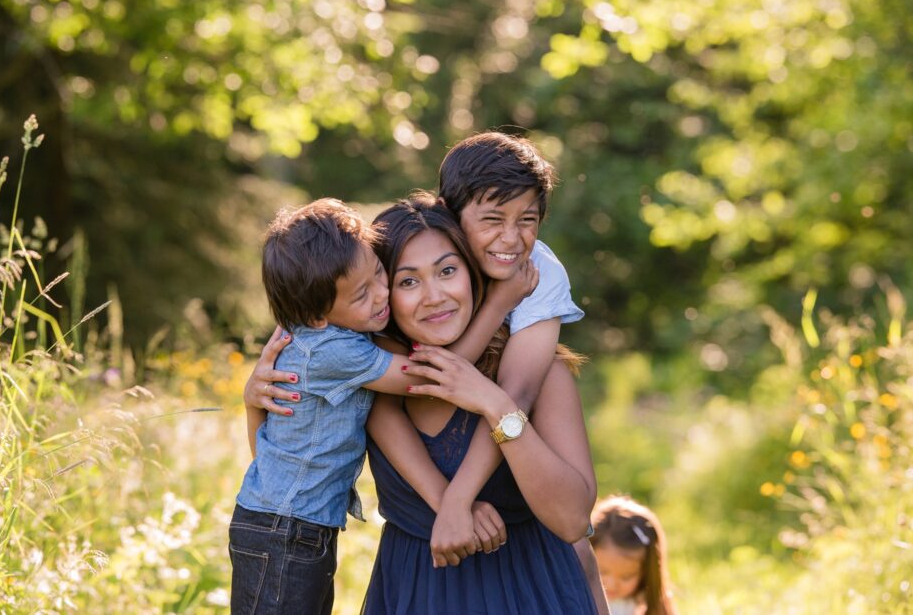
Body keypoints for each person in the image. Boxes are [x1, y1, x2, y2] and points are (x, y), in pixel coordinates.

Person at [230, 198, 534, 615]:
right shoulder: (334, 350)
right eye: (361, 295)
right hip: (284, 531)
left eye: (380, 274)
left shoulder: (323, 332)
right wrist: (499, 303)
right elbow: (433, 378)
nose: (381, 296)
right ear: (318, 315)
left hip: (294, 525)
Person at [361, 194, 599, 613]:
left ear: (472, 274)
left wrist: (495, 403)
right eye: (408, 281)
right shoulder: (370, 382)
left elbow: (573, 521)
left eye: (447, 271)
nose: (434, 296)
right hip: (415, 594)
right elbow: (280, 475)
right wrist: (254, 400)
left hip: (530, 592)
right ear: (383, 295)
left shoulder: (541, 373)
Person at [584, 496, 677, 615]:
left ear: (646, 572)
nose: (612, 585)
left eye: (626, 577)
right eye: (602, 572)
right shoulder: (578, 597)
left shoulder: (643, 604)